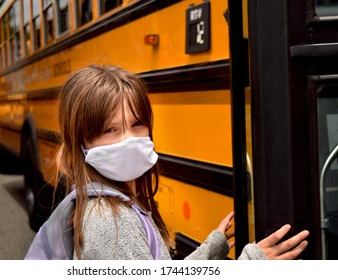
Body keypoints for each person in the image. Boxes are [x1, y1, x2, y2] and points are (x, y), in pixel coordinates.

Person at [54, 64, 309, 260]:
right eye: (110, 130)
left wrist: (210, 250)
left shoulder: (114, 203)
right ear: (81, 142)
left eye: (137, 124)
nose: (129, 140)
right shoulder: (111, 221)